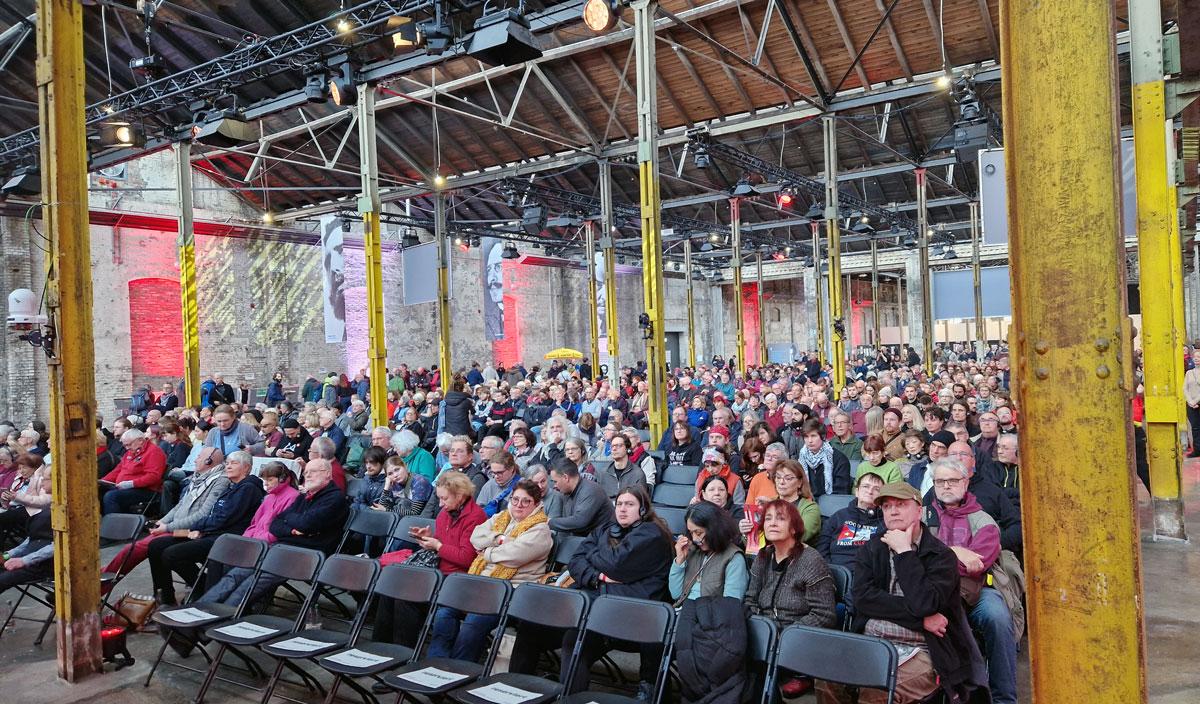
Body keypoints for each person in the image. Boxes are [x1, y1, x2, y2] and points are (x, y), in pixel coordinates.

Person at [823, 482, 988, 704]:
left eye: (901, 504)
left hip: (925, 649)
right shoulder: (871, 549)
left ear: (919, 510)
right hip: (873, 641)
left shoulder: (941, 556)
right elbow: (863, 599)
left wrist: (904, 553)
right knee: (826, 677)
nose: (892, 511)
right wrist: (920, 620)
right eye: (887, 506)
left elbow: (926, 604)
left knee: (878, 689)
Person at [563, 485, 674, 698]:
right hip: (606, 607)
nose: (622, 509)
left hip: (639, 617)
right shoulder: (607, 528)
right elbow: (575, 561)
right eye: (619, 504)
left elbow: (616, 564)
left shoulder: (652, 534)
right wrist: (598, 577)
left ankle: (650, 690)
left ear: (643, 510)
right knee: (572, 638)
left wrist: (594, 551)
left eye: (630, 504)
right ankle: (569, 698)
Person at [428, 479, 552, 662]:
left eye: (526, 501)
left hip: (509, 591)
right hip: (480, 582)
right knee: (444, 611)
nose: (518, 505)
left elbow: (515, 555)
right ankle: (436, 662)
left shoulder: (540, 529)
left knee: (473, 621)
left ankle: (458, 668)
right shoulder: (501, 518)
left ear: (536, 504)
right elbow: (476, 536)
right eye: (515, 499)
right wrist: (501, 539)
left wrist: (487, 552)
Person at [925, 458, 1016, 704]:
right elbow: (915, 558)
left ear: (965, 482)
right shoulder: (924, 516)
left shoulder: (983, 520)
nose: (945, 486)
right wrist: (955, 551)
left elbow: (976, 565)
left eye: (952, 480)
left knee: (997, 618)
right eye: (940, 481)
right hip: (933, 589)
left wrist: (937, 556)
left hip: (977, 590)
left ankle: (1004, 697)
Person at [745, 498, 838, 698]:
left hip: (795, 637)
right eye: (768, 518)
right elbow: (749, 600)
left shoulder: (811, 560)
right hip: (763, 633)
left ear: (794, 528)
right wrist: (760, 628)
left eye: (780, 518)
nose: (772, 523)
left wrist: (786, 634)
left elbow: (824, 615)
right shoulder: (763, 556)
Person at [147, 451, 265, 605]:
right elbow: (209, 514)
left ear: (246, 468)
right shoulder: (233, 486)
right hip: (205, 531)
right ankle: (165, 596)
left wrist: (198, 528)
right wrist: (192, 529)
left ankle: (202, 588)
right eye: (227, 463)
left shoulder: (247, 488)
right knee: (155, 545)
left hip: (223, 538)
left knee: (171, 554)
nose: (228, 466)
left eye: (234, 463)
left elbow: (223, 519)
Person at [101, 446, 228, 589]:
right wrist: (162, 521)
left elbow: (202, 515)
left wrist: (167, 527)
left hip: (192, 531)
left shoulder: (220, 481)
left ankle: (103, 583)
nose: (196, 460)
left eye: (199, 457)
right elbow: (179, 506)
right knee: (138, 548)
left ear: (209, 461)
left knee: (139, 548)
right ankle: (105, 577)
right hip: (176, 527)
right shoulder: (198, 478)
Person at [670, 501, 748, 604]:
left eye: (698, 533)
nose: (694, 539)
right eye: (691, 532)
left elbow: (730, 605)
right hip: (685, 611)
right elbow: (675, 594)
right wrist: (680, 560)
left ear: (715, 529)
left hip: (710, 616)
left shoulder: (734, 558)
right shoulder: (692, 550)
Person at [816, 470, 885, 570]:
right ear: (856, 491)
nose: (870, 491)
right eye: (866, 486)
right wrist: (830, 570)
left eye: (876, 489)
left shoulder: (885, 522)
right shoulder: (838, 516)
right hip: (833, 572)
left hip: (867, 574)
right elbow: (822, 548)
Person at [100, 429, 167, 514]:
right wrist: (103, 481)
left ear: (140, 441)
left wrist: (132, 483)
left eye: (129, 444)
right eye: (125, 446)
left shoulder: (154, 452)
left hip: (145, 490)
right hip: (125, 487)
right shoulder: (130, 452)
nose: (127, 448)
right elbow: (118, 470)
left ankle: (115, 525)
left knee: (111, 496)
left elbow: (153, 476)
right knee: (99, 491)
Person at [547, 457, 614, 536]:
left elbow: (579, 521)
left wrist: (549, 522)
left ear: (566, 478)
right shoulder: (567, 492)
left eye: (555, 481)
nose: (554, 486)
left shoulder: (591, 490)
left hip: (603, 541)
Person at [796, 418, 852, 500]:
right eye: (806, 437)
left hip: (831, 503)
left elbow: (841, 491)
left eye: (813, 436)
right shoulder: (801, 458)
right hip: (806, 502)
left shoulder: (839, 459)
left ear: (822, 437)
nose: (810, 441)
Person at [595, 433, 648, 499]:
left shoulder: (637, 474)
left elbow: (641, 501)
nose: (614, 449)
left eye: (618, 446)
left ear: (627, 449)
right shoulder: (602, 473)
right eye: (612, 446)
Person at [476, 450, 522, 517]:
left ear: (511, 469)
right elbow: (478, 509)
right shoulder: (489, 484)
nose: (496, 476)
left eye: (500, 472)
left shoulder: (522, 486)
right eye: (493, 473)